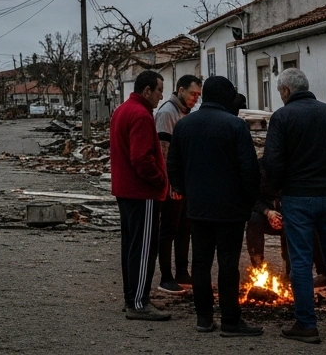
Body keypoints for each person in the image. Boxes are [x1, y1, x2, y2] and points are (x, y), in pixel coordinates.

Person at [261, 68, 326, 343]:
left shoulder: (283, 117)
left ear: (286, 91)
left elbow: (272, 161)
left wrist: (280, 187)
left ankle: (306, 324)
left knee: (301, 262)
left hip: (298, 196)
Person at [167, 76, 262, 336]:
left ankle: (204, 318)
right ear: (225, 96)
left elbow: (173, 164)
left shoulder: (185, 125)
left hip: (198, 207)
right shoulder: (235, 126)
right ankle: (231, 320)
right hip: (230, 209)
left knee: (200, 263)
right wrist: (248, 201)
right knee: (228, 264)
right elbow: (249, 170)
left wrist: (185, 192)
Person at [110, 70, 171, 321]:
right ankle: (138, 302)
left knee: (132, 247)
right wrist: (160, 180)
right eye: (158, 90)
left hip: (125, 191)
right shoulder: (141, 115)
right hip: (141, 192)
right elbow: (141, 158)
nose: (161, 96)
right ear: (146, 90)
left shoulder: (122, 110)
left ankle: (132, 297)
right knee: (145, 248)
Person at [154, 74, 202, 293]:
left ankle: (182, 271)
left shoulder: (185, 113)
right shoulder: (167, 114)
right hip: (172, 183)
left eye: (198, 95)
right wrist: (172, 184)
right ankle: (166, 276)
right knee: (169, 230)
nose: (195, 98)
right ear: (181, 90)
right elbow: (164, 153)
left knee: (185, 228)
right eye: (192, 93)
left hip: (184, 181)